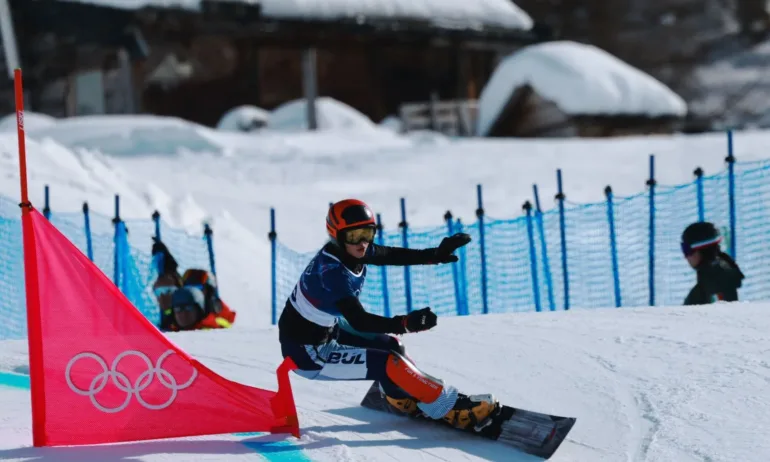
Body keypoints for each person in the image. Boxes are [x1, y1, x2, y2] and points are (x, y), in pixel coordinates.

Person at [278, 198, 500, 432]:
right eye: (354, 236)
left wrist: (434, 254)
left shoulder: (349, 251)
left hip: (327, 330)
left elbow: (389, 254)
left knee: (394, 347)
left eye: (367, 233)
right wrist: (404, 322)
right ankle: (449, 407)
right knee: (388, 363)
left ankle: (399, 398)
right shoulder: (333, 273)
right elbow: (359, 320)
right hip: (308, 354)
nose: (362, 243)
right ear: (336, 235)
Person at [151, 238, 237, 331]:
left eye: (197, 288)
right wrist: (170, 269)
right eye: (188, 288)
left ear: (209, 293)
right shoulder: (180, 311)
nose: (193, 293)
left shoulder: (214, 317)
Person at [680, 221, 745, 305]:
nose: (686, 256)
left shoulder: (716, 279)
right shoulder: (718, 274)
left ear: (702, 249)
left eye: (686, 250)